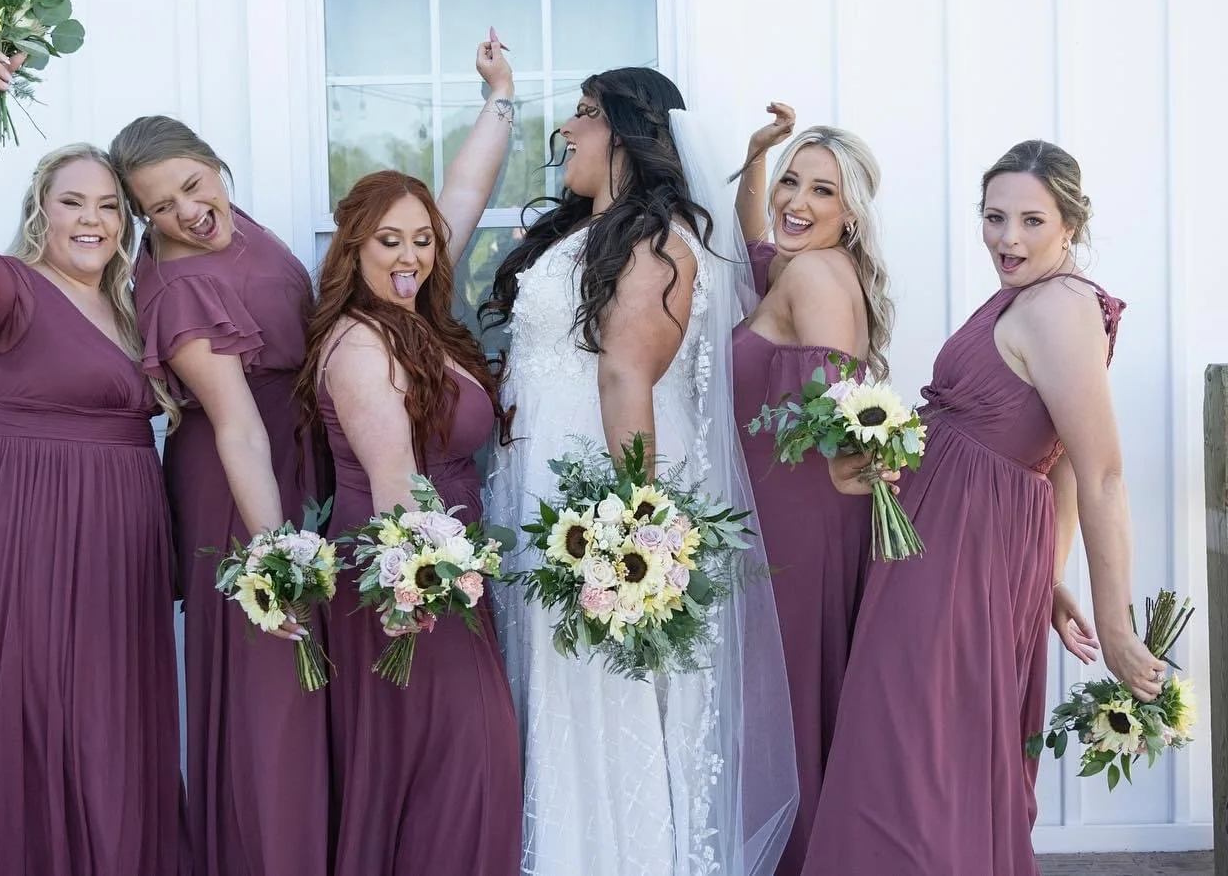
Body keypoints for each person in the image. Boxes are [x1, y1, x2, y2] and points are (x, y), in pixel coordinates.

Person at [801, 141, 1164, 876]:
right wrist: (1050, 578)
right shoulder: (1025, 297)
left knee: (915, 751)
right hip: (944, 549)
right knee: (908, 744)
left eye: (1032, 220)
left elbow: (1099, 473)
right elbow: (1053, 462)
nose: (1008, 238)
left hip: (960, 563)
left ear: (1070, 224)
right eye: (994, 218)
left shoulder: (1061, 307)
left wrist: (1118, 628)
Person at [480, 68, 797, 876]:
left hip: (599, 495)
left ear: (623, 131)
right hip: (539, 487)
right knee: (555, 689)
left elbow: (627, 377)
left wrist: (633, 530)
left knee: (597, 687)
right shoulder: (585, 232)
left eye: (582, 116)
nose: (566, 134)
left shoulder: (656, 241)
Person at [0, 44, 185, 876]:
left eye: (108, 205)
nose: (91, 219)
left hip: (115, 559)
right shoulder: (9, 289)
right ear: (42, 210)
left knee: (109, 737)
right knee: (35, 726)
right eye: (72, 202)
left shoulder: (133, 308)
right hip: (17, 537)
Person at [296, 36, 522, 876]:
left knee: (446, 766)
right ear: (353, 247)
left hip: (446, 562)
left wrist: (500, 95)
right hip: (411, 576)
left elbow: (463, 189)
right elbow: (395, 481)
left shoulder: (416, 313)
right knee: (465, 758)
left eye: (422, 241)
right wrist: (415, 589)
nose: (412, 256)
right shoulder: (361, 344)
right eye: (389, 241)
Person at [109, 113, 326, 876]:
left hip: (295, 455)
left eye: (193, 186)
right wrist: (273, 558)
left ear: (212, 162)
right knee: (274, 688)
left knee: (308, 685)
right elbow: (236, 428)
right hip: (243, 482)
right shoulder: (182, 286)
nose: (187, 213)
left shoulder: (226, 224)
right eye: (160, 208)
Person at [729, 106, 890, 875]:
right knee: (786, 703)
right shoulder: (796, 266)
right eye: (792, 182)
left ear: (849, 214)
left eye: (821, 192)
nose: (798, 202)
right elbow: (753, 235)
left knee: (791, 706)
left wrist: (854, 465)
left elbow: (845, 415)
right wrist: (759, 156)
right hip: (781, 519)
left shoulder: (820, 275)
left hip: (800, 525)